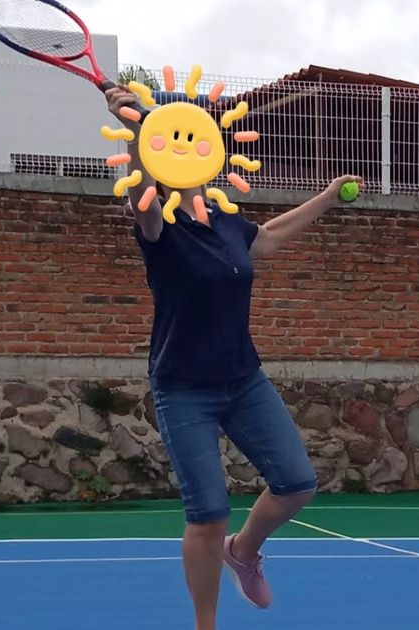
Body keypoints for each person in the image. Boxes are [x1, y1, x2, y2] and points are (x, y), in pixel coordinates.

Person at [105, 85, 363, 630]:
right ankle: (206, 624)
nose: (185, 151)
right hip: (183, 387)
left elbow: (267, 237)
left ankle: (242, 552)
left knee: (297, 482)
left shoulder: (226, 223)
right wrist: (134, 129)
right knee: (207, 515)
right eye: (171, 144)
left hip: (243, 379)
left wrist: (326, 197)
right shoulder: (159, 225)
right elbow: (142, 195)